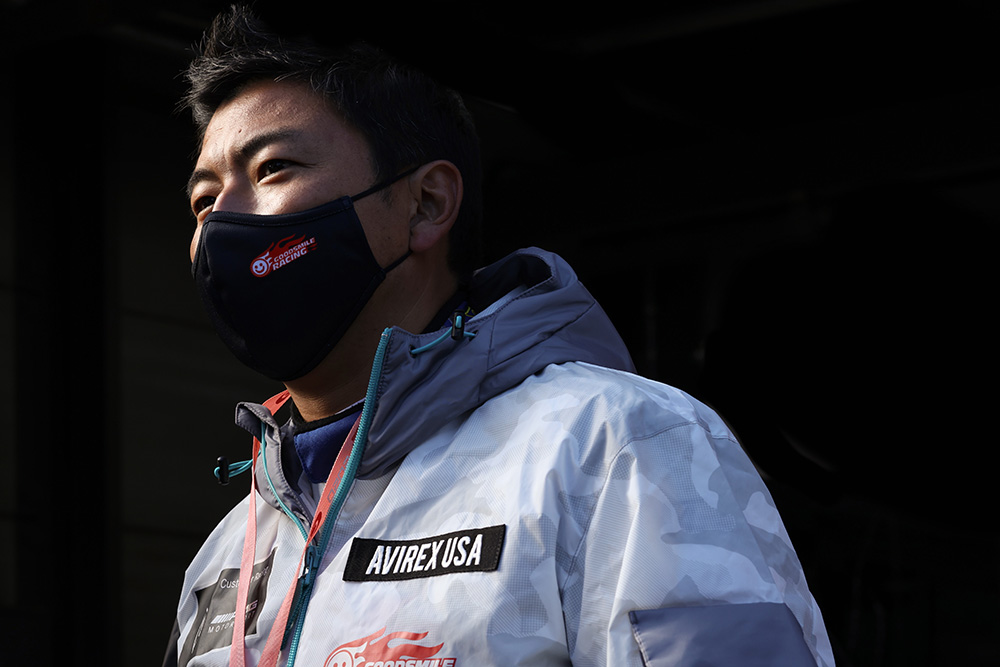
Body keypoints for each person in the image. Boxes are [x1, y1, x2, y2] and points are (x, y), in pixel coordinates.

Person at [164, 6, 835, 667]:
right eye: (203, 200)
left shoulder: (616, 446)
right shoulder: (226, 557)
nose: (222, 222)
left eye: (272, 168)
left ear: (427, 204)